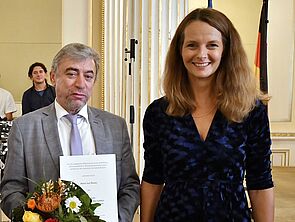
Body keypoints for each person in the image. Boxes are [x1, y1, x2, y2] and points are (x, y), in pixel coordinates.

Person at [140, 8, 274, 222]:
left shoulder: (251, 111)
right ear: (180, 51)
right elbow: (153, 179)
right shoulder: (158, 113)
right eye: (192, 45)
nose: (201, 54)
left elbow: (260, 183)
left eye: (212, 45)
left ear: (226, 51)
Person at [1, 43, 140, 221]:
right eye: (71, 74)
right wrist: (33, 219)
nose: (80, 83)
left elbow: (130, 186)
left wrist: (118, 218)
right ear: (53, 77)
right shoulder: (24, 128)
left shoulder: (115, 127)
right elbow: (11, 190)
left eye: (88, 76)